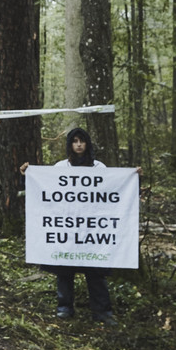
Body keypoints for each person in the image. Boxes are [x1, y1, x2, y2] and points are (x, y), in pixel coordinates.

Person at [20, 127, 134, 325]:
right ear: (70, 145)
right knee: (65, 270)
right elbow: (46, 188)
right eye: (75, 141)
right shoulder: (60, 167)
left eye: (82, 141)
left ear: (87, 144)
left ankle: (103, 312)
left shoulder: (99, 168)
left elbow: (113, 190)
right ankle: (64, 308)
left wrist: (133, 177)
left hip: (92, 229)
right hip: (68, 227)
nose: (79, 145)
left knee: (96, 272)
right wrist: (28, 174)